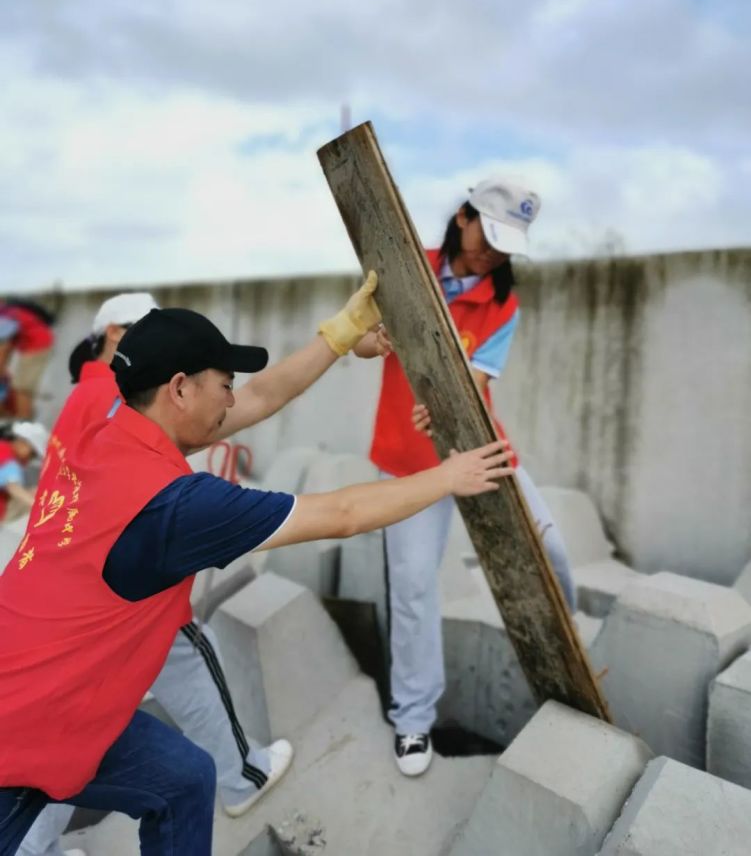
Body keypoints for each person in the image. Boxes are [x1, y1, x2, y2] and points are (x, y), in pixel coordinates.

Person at [0, 296, 512, 856]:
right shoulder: (178, 507)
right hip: (23, 735)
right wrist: (447, 477)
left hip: (46, 681)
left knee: (185, 779)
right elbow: (340, 515)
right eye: (224, 383)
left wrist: (339, 334)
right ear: (178, 389)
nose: (232, 398)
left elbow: (263, 397)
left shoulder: (98, 404)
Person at [355, 179, 576, 777]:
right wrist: (374, 343)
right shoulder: (404, 268)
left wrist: (448, 406)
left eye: (506, 247)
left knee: (550, 548)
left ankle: (571, 653)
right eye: (488, 237)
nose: (491, 255)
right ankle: (413, 720)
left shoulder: (503, 302)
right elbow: (360, 342)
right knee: (414, 589)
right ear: (462, 217)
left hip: (478, 444)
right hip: (406, 459)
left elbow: (476, 386)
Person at [0, 299, 56, 420]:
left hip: (38, 345)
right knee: (17, 387)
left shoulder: (4, 316)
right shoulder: (7, 312)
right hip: (32, 345)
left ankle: (23, 426)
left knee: (22, 387)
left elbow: (4, 348)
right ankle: (21, 422)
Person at [0, 422, 49, 524]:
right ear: (23, 443)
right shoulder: (6, 454)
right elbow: (12, 486)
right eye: (32, 454)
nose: (30, 459)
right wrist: (37, 506)